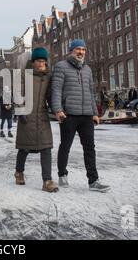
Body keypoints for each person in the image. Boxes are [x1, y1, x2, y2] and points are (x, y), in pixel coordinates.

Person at [51, 39, 110, 193]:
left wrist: (95, 113)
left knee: (90, 148)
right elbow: (56, 90)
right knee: (65, 146)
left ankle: (93, 180)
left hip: (86, 116)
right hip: (68, 115)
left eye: (83, 50)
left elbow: (91, 93)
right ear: (71, 50)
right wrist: (58, 110)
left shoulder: (88, 69)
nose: (81, 52)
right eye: (78, 49)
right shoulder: (61, 67)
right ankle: (62, 174)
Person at [15, 47, 59, 193]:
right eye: (39, 61)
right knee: (24, 148)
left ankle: (47, 181)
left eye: (44, 61)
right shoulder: (24, 75)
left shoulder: (48, 76)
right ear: (33, 62)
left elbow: (50, 96)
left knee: (46, 147)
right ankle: (19, 172)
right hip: (27, 116)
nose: (42, 63)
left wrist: (57, 109)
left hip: (42, 116)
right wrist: (21, 111)